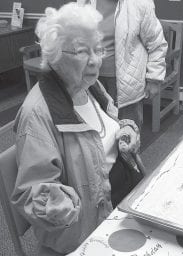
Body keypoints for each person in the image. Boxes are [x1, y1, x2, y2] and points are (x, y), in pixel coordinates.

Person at [11, 3, 143, 255]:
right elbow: (31, 192)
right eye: (83, 51)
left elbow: (109, 125)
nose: (95, 60)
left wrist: (126, 131)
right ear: (56, 56)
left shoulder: (90, 87)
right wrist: (62, 204)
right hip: (90, 230)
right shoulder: (38, 114)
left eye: (98, 49)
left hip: (124, 203)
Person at [96, 0, 168, 129]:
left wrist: (154, 79)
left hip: (126, 81)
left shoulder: (140, 3)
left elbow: (156, 43)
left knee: (128, 134)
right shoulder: (84, 2)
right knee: (99, 132)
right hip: (91, 80)